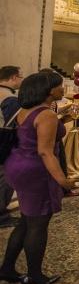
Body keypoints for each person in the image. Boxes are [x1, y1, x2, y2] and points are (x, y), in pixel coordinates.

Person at [0, 71, 75, 284]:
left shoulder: (26, 110)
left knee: (26, 220)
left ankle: (7, 268)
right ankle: (35, 275)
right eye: (60, 86)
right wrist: (63, 180)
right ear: (49, 90)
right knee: (38, 224)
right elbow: (45, 152)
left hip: (18, 163)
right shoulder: (46, 115)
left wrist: (64, 119)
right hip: (36, 170)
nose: (63, 89)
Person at [0, 65, 23, 230]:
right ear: (14, 77)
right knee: (5, 179)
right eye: (20, 77)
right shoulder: (10, 99)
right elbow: (13, 125)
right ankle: (1, 215)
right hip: (3, 141)